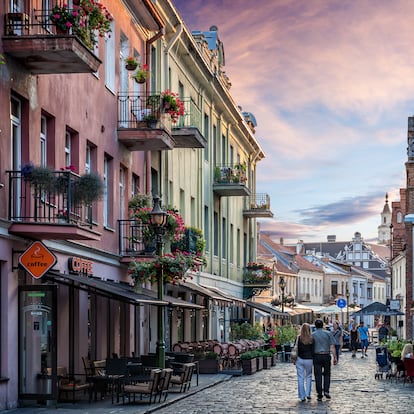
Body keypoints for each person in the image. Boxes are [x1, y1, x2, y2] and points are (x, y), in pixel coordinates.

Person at [312, 319, 337, 401]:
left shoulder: (313, 335)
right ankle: (326, 391)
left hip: (316, 356)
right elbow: (332, 346)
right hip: (326, 355)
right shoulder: (328, 333)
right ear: (323, 325)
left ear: (315, 326)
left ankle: (319, 393)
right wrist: (335, 357)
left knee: (317, 375)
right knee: (327, 374)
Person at [293, 323, 314, 402]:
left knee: (300, 378)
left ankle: (302, 396)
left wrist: (294, 360)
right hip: (309, 359)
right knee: (308, 376)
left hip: (300, 359)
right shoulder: (312, 339)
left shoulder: (299, 338)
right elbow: (313, 350)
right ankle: (308, 393)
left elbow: (296, 348)